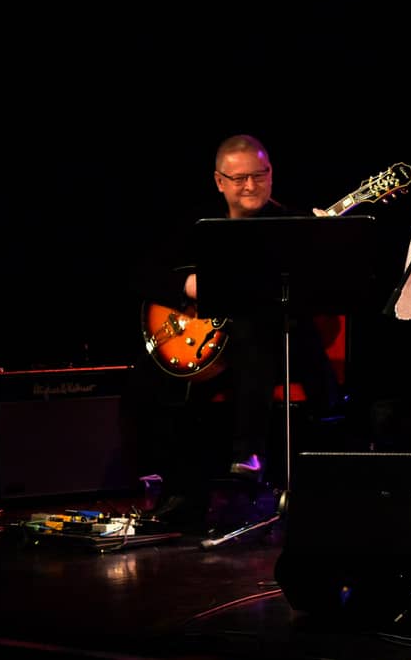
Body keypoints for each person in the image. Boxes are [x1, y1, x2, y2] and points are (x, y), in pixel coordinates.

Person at [126, 134, 341, 530]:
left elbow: (324, 293)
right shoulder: (198, 224)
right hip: (207, 346)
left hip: (277, 348)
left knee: (255, 332)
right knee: (150, 377)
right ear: (219, 181)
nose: (250, 186)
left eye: (259, 175)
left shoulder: (292, 224)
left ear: (271, 175)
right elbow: (141, 273)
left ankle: (249, 456)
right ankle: (179, 494)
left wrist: (323, 244)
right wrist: (188, 285)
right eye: (239, 178)